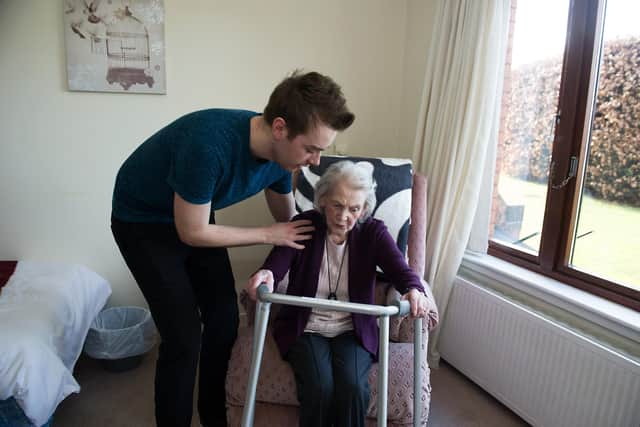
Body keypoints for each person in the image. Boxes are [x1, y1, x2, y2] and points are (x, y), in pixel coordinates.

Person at [110, 70, 355, 427]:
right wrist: (269, 235)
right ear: (280, 129)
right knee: (184, 337)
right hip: (142, 221)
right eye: (312, 149)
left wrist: (335, 233)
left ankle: (213, 417)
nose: (316, 160)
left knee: (224, 319)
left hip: (193, 215)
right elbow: (193, 232)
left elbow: (289, 221)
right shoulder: (207, 145)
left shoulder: (280, 158)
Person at [245, 161, 438, 427]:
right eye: (337, 205)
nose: (344, 216)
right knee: (320, 386)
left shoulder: (373, 232)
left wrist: (414, 290)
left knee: (353, 388)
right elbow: (276, 264)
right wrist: (267, 273)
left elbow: (402, 272)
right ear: (322, 200)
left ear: (364, 209)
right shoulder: (304, 225)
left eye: (354, 209)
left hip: (352, 329)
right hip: (306, 326)